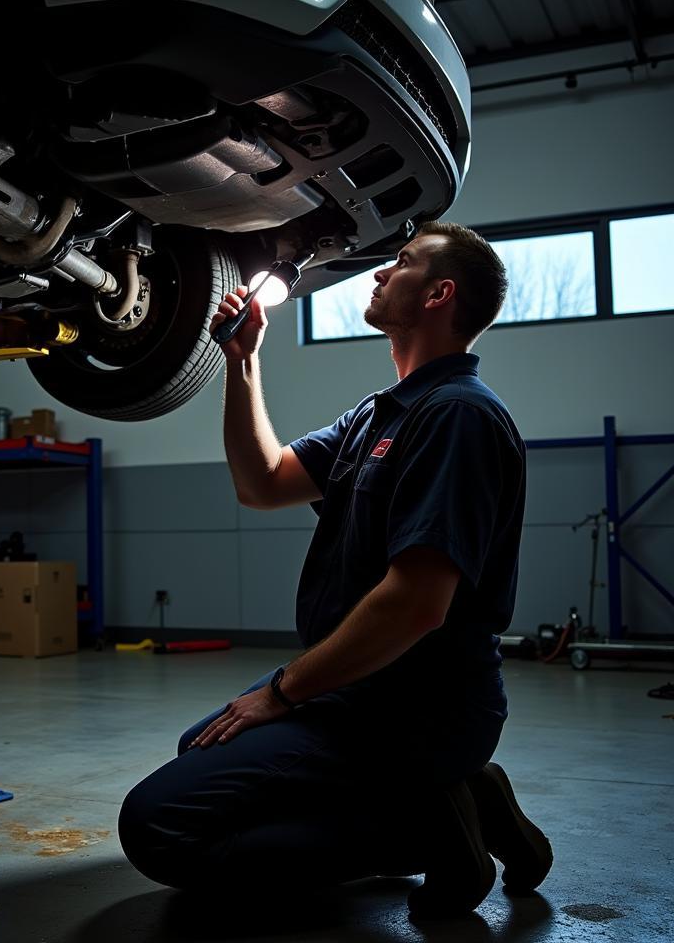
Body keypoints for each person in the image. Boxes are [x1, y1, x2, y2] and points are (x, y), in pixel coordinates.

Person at [117, 221, 553, 918]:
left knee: (161, 828)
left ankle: (431, 829)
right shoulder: (377, 416)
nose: (381, 273)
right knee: (196, 750)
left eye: (402, 263)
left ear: (440, 294)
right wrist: (242, 362)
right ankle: (456, 800)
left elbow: (416, 605)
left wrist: (281, 693)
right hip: (358, 696)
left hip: (421, 711)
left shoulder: (458, 417)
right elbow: (262, 483)